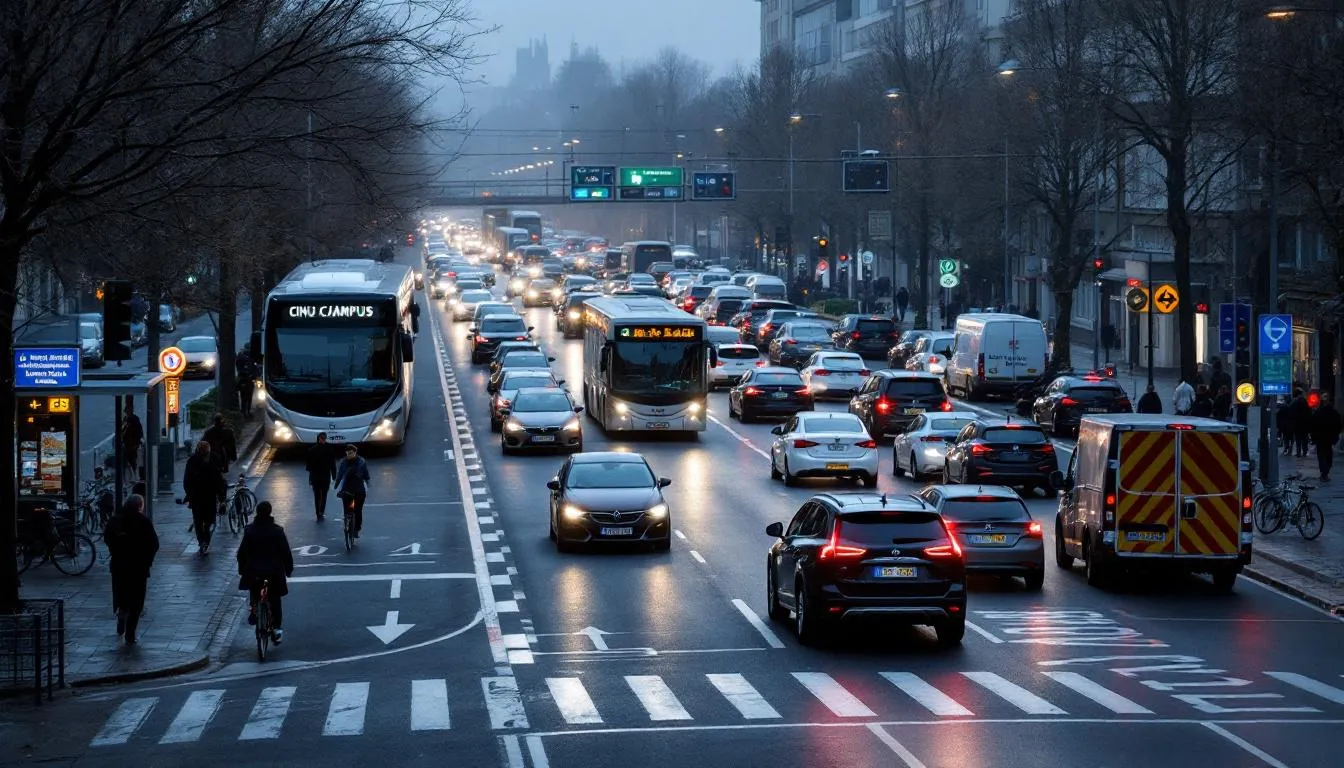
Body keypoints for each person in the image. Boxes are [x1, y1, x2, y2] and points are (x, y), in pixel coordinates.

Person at [103, 494, 159, 645]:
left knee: (121, 594)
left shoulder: (115, 520)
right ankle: (130, 634)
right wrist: (148, 561)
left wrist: (115, 550)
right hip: (138, 568)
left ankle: (121, 614)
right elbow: (154, 544)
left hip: (119, 565)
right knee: (137, 601)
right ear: (140, 506)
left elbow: (107, 538)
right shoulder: (143, 522)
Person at [237, 501, 294, 644]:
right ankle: (277, 630)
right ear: (270, 512)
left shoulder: (250, 530)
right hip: (273, 572)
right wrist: (288, 569)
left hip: (254, 570)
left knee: (254, 590)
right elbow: (286, 552)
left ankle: (254, 610)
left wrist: (242, 569)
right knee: (275, 601)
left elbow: (242, 553)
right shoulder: (277, 531)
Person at [183, 439, 226, 555]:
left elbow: (187, 480)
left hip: (196, 497)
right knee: (209, 521)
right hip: (209, 496)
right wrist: (222, 496)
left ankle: (201, 541)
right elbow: (219, 479)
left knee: (198, 520)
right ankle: (205, 541)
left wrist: (189, 494)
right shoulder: (214, 459)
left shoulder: (192, 461)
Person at [335, 444, 371, 537]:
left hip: (359, 490)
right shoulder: (343, 463)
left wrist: (366, 482)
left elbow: (366, 475)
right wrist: (336, 487)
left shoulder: (361, 463)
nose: (349, 455)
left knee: (358, 510)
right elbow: (340, 475)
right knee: (347, 510)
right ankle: (348, 525)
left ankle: (357, 529)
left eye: (351, 453)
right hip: (346, 490)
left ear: (355, 452)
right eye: (347, 453)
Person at [1310, 394, 1343, 482]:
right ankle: (1325, 472)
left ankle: (1323, 473)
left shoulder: (1318, 413)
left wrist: (1313, 438)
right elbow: (1339, 426)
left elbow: (1313, 426)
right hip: (1329, 438)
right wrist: (1336, 437)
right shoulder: (1334, 413)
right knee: (1328, 455)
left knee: (1321, 456)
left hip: (1320, 438)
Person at [306, 433, 338, 520]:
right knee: (324, 495)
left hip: (315, 476)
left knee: (317, 495)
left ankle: (318, 512)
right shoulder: (329, 449)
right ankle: (321, 511)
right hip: (325, 476)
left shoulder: (312, 450)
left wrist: (310, 478)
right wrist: (334, 475)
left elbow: (309, 466)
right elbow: (333, 464)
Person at [121, 399, 144, 483]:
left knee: (132, 460)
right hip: (126, 444)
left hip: (132, 444)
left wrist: (137, 443)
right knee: (126, 461)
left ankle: (132, 477)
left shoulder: (134, 419)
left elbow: (139, 431)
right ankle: (128, 478)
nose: (126, 412)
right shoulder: (125, 419)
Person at [236, 346, 259, 417]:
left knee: (245, 397)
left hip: (246, 380)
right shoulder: (246, 358)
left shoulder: (241, 357)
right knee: (247, 397)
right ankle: (246, 411)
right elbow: (255, 369)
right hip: (246, 380)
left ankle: (245, 411)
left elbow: (255, 369)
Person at [1289, 389, 1312, 458]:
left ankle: (1298, 452)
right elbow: (1309, 412)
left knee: (1298, 439)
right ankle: (1304, 452)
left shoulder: (1294, 402)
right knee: (1304, 438)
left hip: (1297, 424)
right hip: (1305, 424)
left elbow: (1291, 412)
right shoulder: (1305, 402)